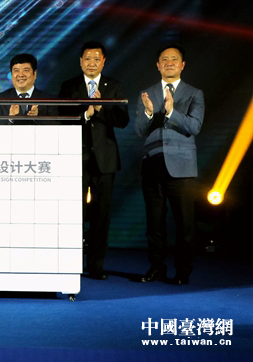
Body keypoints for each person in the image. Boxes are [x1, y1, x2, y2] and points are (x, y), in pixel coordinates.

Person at [58, 41, 129, 280]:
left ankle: (96, 265)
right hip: (75, 158)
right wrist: (85, 114)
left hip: (105, 160)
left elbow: (122, 120)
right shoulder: (69, 86)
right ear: (80, 61)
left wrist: (100, 108)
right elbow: (61, 118)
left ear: (103, 62)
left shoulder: (114, 86)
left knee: (101, 214)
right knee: (73, 214)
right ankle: (72, 263)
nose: (91, 63)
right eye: (87, 58)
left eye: (96, 59)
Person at [135, 44, 205, 285]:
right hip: (152, 165)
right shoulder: (147, 93)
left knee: (185, 224)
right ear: (158, 65)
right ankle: (156, 267)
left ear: (182, 65)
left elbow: (194, 127)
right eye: (164, 59)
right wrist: (148, 114)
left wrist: (172, 112)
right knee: (154, 224)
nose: (169, 63)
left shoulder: (194, 94)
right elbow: (139, 130)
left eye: (174, 59)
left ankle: (183, 270)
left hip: (182, 166)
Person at [0, 53, 54, 124]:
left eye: (26, 70)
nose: (21, 75)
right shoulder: (0, 99)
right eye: (16, 70)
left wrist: (38, 117)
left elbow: (57, 126)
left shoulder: (48, 99)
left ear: (35, 74)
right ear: (11, 75)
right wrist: (10, 119)